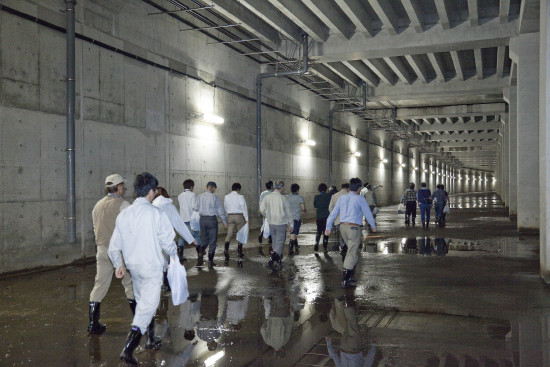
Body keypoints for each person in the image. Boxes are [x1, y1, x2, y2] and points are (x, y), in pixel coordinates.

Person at [108, 172, 178, 365]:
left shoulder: (125, 214)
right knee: (148, 306)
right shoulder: (156, 213)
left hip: (133, 268)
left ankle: (150, 339)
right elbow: (168, 241)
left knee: (142, 303)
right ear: (151, 192)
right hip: (152, 267)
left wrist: (118, 265)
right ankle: (128, 349)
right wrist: (174, 256)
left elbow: (114, 245)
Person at [88, 174, 135, 335]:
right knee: (129, 284)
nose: (124, 188)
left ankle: (93, 324)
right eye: (122, 185)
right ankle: (138, 324)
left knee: (100, 284)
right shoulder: (123, 204)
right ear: (119, 187)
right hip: (119, 250)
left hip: (101, 249)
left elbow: (95, 227)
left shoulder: (97, 205)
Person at [325, 178, 376, 288]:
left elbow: (333, 213)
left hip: (342, 227)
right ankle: (346, 278)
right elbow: (367, 213)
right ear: (359, 188)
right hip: (354, 228)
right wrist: (373, 225)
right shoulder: (360, 199)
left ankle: (350, 274)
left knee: (351, 251)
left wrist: (328, 226)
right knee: (352, 252)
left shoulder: (342, 198)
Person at [152, 187, 197, 281]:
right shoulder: (168, 206)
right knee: (168, 261)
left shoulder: (150, 206)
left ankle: (159, 282)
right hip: (166, 239)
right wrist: (190, 238)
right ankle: (166, 283)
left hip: (152, 239)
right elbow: (178, 224)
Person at [326, 295, 377, 367]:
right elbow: (335, 357)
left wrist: (374, 345)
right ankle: (341, 303)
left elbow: (369, 359)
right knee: (346, 325)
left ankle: (347, 303)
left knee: (352, 323)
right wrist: (328, 343)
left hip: (355, 348)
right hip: (344, 346)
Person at [259, 180, 292, 270]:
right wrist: (291, 224)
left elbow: (261, 209)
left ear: (273, 187)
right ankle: (272, 259)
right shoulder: (284, 198)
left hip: (271, 222)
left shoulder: (267, 197)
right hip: (281, 223)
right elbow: (288, 213)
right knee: (280, 242)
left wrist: (267, 215)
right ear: (281, 188)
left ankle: (278, 260)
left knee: (274, 241)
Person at [194, 182, 228, 267]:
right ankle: (210, 261)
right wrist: (224, 222)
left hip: (202, 219)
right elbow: (220, 210)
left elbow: (195, 208)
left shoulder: (199, 196)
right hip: (212, 220)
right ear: (213, 188)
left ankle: (200, 255)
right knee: (212, 241)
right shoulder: (215, 197)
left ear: (206, 187)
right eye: (214, 189)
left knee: (203, 239)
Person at [224, 183, 248, 261]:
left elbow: (225, 207)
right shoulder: (240, 197)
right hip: (239, 217)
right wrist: (247, 219)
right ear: (238, 189)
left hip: (230, 216)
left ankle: (226, 250)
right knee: (240, 233)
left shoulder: (226, 197)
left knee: (229, 234)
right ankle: (240, 251)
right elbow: (244, 208)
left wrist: (226, 217)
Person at [177, 179, 201, 261]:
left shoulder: (180, 195)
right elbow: (195, 207)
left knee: (182, 237)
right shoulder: (193, 195)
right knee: (196, 235)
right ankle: (200, 254)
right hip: (191, 219)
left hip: (182, 219)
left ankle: (180, 256)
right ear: (191, 187)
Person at [329, 183, 350, 256]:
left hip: (338, 220)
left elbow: (330, 208)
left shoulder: (334, 196)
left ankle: (343, 246)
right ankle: (346, 246)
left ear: (341, 187)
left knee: (342, 234)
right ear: (348, 188)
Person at [286, 183, 306, 255]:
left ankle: (296, 246)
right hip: (296, 218)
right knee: (293, 234)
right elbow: (303, 208)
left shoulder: (286, 197)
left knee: (293, 233)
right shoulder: (300, 197)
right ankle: (290, 249)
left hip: (288, 219)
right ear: (297, 190)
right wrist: (304, 212)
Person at [314, 183, 331, 252]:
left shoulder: (316, 196)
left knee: (319, 230)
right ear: (325, 189)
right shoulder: (329, 196)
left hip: (319, 216)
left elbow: (315, 205)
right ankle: (324, 247)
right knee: (326, 232)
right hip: (327, 216)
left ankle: (316, 242)